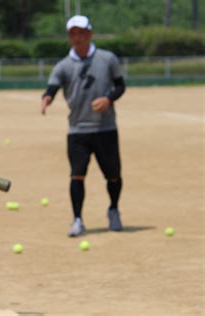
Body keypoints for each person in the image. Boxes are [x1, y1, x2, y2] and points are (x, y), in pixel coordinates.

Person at [40, 15, 126, 237]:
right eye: (72, 34)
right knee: (77, 175)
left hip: (105, 128)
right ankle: (77, 220)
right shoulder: (63, 66)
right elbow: (52, 86)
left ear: (90, 34)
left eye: (81, 33)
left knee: (113, 176)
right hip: (78, 130)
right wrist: (47, 98)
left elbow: (120, 86)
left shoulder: (107, 59)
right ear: (69, 37)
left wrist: (109, 99)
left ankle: (114, 209)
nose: (77, 37)